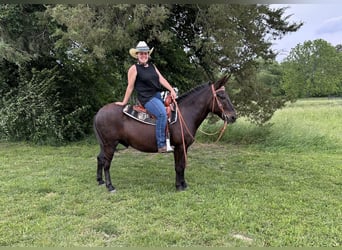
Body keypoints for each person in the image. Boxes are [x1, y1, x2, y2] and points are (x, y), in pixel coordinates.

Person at [115, 41, 177, 153]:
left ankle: (173, 139)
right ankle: (161, 144)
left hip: (158, 96)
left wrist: (171, 89)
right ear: (137, 55)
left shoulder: (152, 66)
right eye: (141, 53)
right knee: (162, 113)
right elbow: (130, 87)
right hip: (147, 98)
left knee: (173, 110)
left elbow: (161, 79)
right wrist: (124, 102)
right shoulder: (134, 69)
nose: (143, 55)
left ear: (148, 54)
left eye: (145, 53)